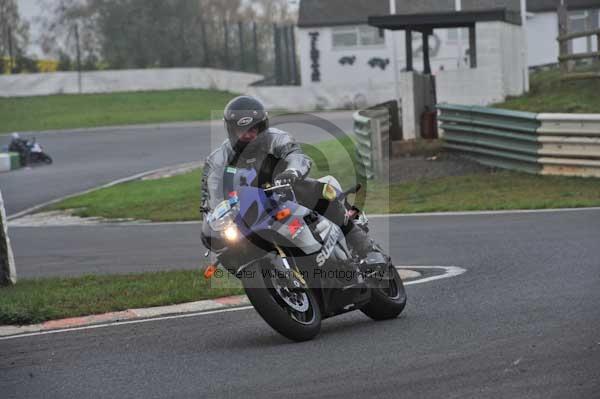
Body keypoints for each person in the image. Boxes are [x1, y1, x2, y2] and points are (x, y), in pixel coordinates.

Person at [200, 95, 378, 259]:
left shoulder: (277, 139)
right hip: (252, 211)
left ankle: (364, 247)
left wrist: (291, 173)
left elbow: (297, 156)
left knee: (323, 190)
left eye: (253, 129)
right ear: (232, 130)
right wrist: (212, 219)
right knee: (227, 245)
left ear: (262, 127)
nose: (249, 135)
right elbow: (210, 194)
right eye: (242, 131)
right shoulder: (218, 159)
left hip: (287, 194)